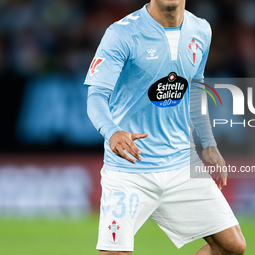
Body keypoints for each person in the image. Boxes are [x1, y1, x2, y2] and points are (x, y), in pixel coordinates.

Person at [85, 0, 246, 254]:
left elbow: (195, 88)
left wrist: (209, 143)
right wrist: (112, 132)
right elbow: (95, 97)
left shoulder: (201, 30)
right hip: (130, 167)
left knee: (231, 246)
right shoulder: (121, 33)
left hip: (182, 164)